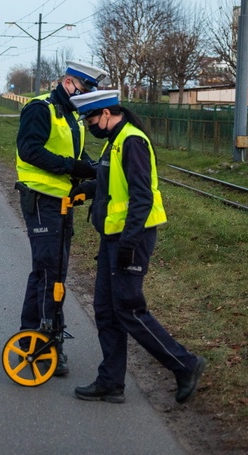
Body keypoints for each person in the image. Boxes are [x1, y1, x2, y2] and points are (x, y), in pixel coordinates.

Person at [68, 89, 206, 403]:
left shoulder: (132, 141)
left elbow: (142, 198)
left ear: (105, 114)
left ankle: (185, 364)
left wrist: (129, 244)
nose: (89, 125)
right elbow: (110, 185)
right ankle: (111, 382)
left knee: (129, 309)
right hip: (112, 237)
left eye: (90, 118)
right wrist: (83, 191)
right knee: (105, 310)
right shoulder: (113, 143)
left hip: (132, 238)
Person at [15, 60, 109, 377]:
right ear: (68, 83)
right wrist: (71, 166)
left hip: (62, 202)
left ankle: (32, 337)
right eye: (83, 90)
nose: (84, 98)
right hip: (42, 199)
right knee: (51, 274)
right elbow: (29, 150)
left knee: (47, 272)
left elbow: (75, 153)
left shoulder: (70, 116)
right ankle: (46, 346)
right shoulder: (40, 109)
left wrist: (91, 169)